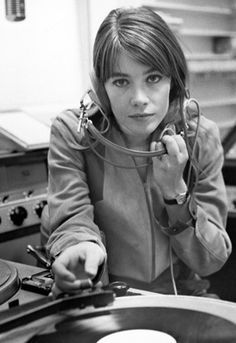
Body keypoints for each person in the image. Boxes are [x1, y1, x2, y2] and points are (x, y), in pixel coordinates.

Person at [44, 6, 232, 296]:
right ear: (101, 86)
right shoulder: (74, 133)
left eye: (154, 78)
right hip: (101, 296)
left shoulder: (200, 137)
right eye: (121, 81)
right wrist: (80, 248)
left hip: (182, 296)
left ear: (175, 80)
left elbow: (212, 259)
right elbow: (72, 219)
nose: (139, 99)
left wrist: (175, 193)